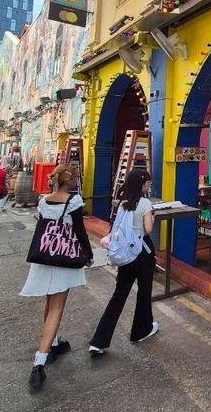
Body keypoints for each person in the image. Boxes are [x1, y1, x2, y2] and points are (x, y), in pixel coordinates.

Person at [20, 164, 93, 391]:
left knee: (50, 301)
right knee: (57, 307)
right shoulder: (74, 201)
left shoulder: (44, 200)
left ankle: (52, 343)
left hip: (44, 257)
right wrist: (88, 255)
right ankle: (40, 361)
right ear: (69, 180)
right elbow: (80, 232)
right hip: (64, 257)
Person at [89, 170, 158, 356]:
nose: (149, 186)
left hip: (126, 254)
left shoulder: (123, 203)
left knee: (119, 295)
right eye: (148, 183)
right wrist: (152, 216)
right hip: (142, 253)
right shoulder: (145, 204)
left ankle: (99, 340)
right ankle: (140, 331)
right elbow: (148, 229)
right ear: (142, 184)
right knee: (144, 292)